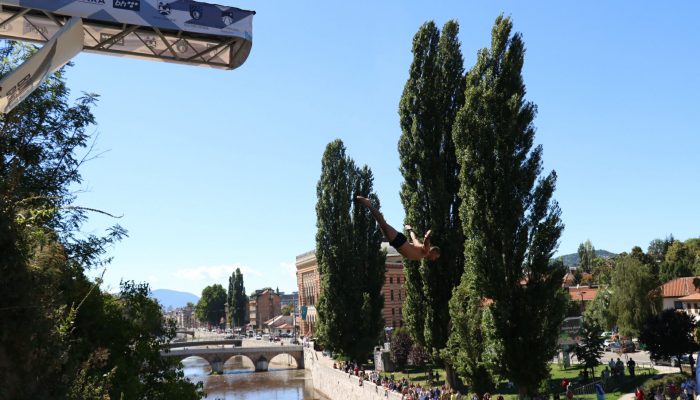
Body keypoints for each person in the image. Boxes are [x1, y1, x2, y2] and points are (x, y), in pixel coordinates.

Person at [355, 196, 440, 261]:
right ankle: (368, 204)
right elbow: (426, 244)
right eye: (436, 257)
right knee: (383, 224)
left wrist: (410, 230)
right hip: (399, 242)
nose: (434, 259)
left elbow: (414, 238)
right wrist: (427, 237)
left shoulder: (421, 250)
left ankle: (369, 205)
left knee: (382, 225)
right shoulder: (425, 251)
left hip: (397, 243)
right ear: (433, 252)